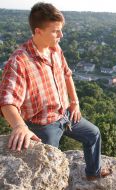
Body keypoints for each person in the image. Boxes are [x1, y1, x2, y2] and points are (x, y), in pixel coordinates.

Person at [0, 2, 110, 181]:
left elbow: (67, 75)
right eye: (55, 31)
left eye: (61, 30)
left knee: (93, 134)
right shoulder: (19, 61)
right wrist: (20, 126)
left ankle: (93, 173)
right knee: (49, 166)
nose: (61, 35)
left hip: (65, 114)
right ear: (38, 31)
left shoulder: (55, 49)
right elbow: (7, 101)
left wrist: (75, 103)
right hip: (42, 125)